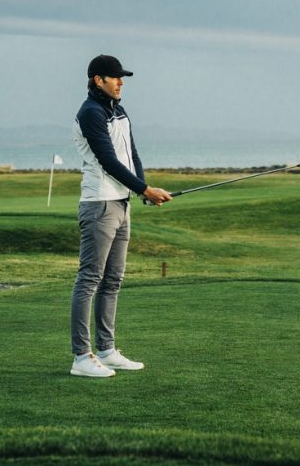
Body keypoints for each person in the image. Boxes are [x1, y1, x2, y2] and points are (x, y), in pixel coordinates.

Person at [69, 54, 172, 378]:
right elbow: (108, 161)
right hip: (100, 203)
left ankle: (107, 350)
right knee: (90, 279)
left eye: (122, 77)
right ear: (98, 80)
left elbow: (132, 153)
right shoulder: (90, 113)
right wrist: (144, 189)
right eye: (115, 78)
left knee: (113, 280)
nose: (120, 82)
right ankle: (81, 357)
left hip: (121, 202)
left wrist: (140, 188)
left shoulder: (120, 109)